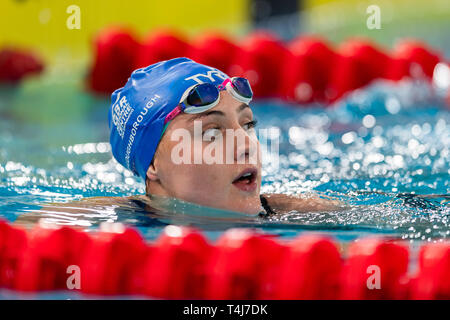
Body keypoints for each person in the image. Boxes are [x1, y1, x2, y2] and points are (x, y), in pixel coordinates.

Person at [15, 58, 345, 227]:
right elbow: (27, 230)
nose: (247, 145)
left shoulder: (293, 213)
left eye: (248, 124)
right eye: (212, 133)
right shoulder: (122, 219)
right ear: (154, 165)